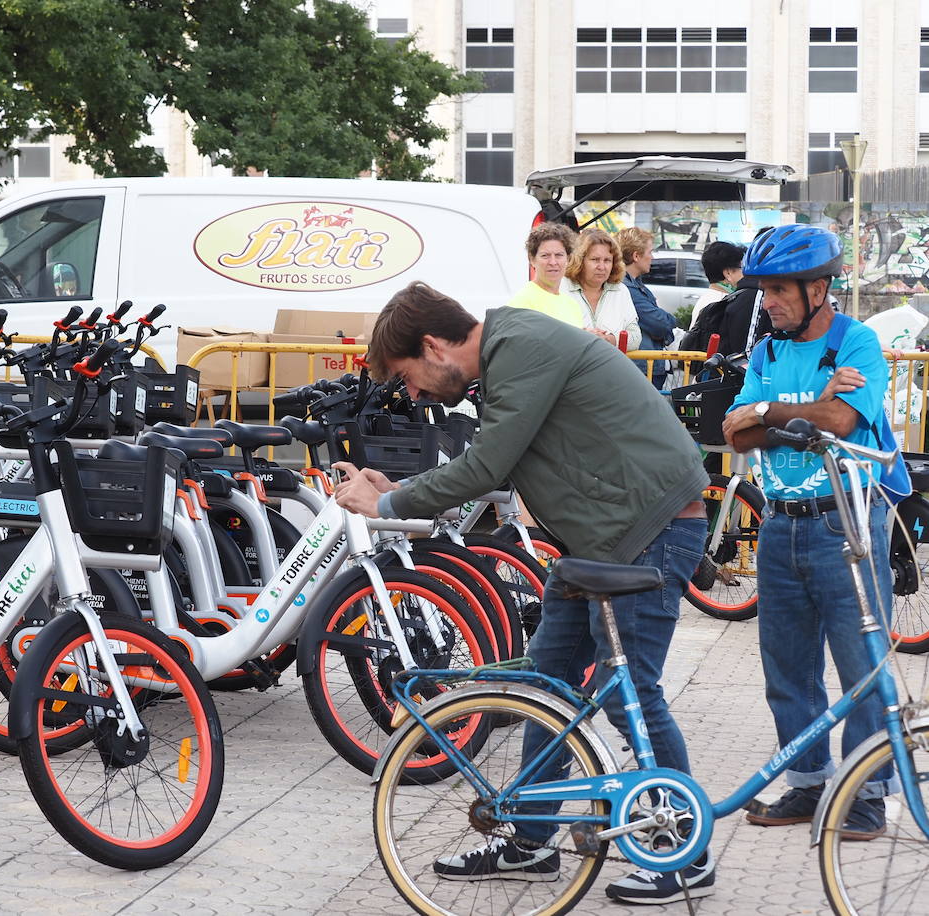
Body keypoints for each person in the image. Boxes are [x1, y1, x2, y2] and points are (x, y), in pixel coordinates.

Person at [335, 281, 712, 905]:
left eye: (407, 376)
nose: (412, 393)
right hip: (600, 545)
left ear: (433, 346)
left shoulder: (520, 346)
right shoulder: (510, 354)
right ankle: (532, 842)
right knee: (544, 685)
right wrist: (399, 486)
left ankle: (684, 851)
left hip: (651, 532)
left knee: (633, 695)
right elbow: (497, 461)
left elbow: (485, 467)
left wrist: (389, 503)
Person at [721, 225, 894, 840]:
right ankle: (808, 783)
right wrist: (805, 411)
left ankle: (867, 793)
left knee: (861, 663)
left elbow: (842, 419)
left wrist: (769, 411)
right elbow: (733, 435)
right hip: (779, 526)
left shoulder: (860, 342)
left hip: (844, 523)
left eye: (777, 290)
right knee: (787, 670)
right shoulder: (767, 351)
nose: (766, 301)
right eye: (763, 289)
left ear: (818, 288)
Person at [619, 227, 678, 389]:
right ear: (636, 256)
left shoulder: (634, 284)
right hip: (642, 368)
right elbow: (660, 323)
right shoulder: (626, 288)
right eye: (650, 252)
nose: (652, 257)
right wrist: (669, 320)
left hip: (646, 365)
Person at [562, 227, 641, 349]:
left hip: (609, 367)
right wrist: (580, 338)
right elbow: (549, 334)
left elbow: (635, 337)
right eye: (595, 260)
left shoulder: (621, 291)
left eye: (607, 260)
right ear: (580, 260)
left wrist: (610, 340)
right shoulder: (561, 288)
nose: (602, 266)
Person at [504, 222, 585, 328]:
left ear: (568, 259)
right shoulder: (522, 304)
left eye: (559, 255)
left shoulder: (573, 305)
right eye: (545, 255)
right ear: (532, 259)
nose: (553, 262)